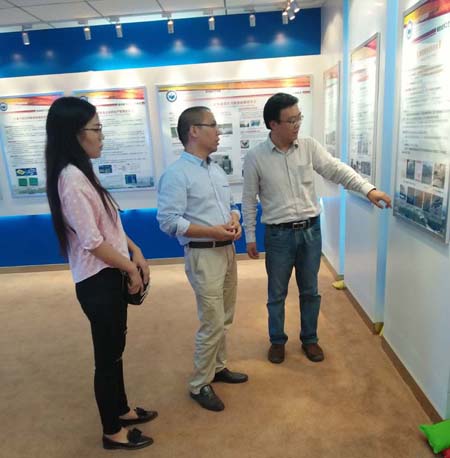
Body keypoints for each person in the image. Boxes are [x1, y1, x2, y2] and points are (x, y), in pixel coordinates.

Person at [242, 92, 391, 365]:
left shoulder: (309, 147)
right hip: (278, 235)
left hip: (311, 232)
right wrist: (250, 235)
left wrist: (368, 189)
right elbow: (249, 199)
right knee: (276, 294)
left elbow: (336, 169)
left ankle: (310, 338)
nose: (297, 124)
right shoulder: (255, 157)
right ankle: (277, 341)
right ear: (273, 124)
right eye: (291, 120)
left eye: (299, 118)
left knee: (310, 291)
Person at [45, 97, 156, 450]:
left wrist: (135, 250)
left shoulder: (82, 174)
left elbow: (109, 226)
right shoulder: (70, 179)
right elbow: (93, 242)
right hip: (98, 282)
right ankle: (112, 431)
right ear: (75, 134)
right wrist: (129, 267)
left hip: (109, 274)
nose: (101, 136)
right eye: (96, 129)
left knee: (115, 350)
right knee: (107, 358)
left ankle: (121, 410)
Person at [157, 106, 248, 412]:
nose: (219, 131)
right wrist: (211, 231)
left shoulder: (216, 169)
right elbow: (168, 222)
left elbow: (231, 205)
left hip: (226, 251)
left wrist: (234, 220)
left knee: (225, 317)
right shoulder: (176, 174)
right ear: (194, 131)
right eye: (213, 125)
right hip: (203, 254)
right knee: (212, 321)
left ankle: (218, 368)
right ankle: (199, 384)